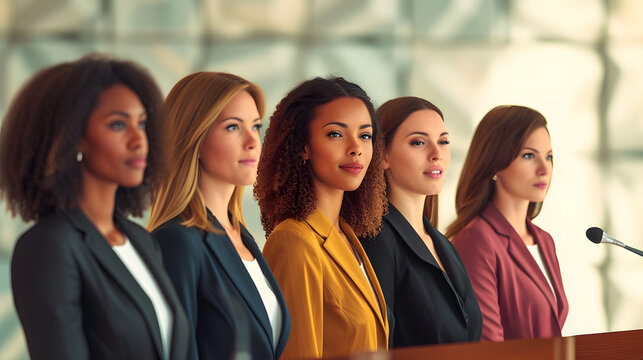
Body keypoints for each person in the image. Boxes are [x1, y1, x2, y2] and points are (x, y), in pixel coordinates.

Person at [0, 54, 189, 359]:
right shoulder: (48, 247)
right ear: (72, 138)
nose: (138, 139)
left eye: (141, 123)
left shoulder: (142, 242)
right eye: (117, 124)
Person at [147, 72, 290, 360]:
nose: (253, 141)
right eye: (233, 127)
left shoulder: (243, 237)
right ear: (194, 138)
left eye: (255, 126)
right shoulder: (175, 242)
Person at [255, 76, 389, 359]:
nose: (356, 148)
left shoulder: (348, 237)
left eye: (365, 135)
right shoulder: (295, 241)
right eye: (336, 134)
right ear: (303, 146)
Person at [361, 96, 482, 347]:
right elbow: (376, 343)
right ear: (383, 154)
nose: (437, 154)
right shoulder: (377, 240)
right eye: (418, 142)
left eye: (443, 141)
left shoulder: (441, 243)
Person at [446, 105, 568, 342]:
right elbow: (489, 347)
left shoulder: (543, 240)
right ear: (496, 162)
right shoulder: (477, 240)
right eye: (529, 156)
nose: (544, 169)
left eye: (549, 157)